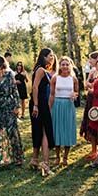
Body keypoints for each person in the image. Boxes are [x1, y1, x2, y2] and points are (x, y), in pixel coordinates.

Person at [0, 55, 24, 167]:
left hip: (8, 105)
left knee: (11, 131)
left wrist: (17, 106)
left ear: (0, 65)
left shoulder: (8, 75)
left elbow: (15, 91)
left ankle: (17, 158)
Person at [30, 48, 56, 176]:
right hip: (39, 103)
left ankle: (35, 159)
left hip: (42, 103)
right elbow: (34, 87)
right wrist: (36, 105)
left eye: (52, 56)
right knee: (45, 131)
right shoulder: (40, 70)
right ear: (44, 57)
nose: (52, 58)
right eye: (50, 56)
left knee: (38, 130)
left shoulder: (43, 69)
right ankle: (45, 163)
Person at [49, 56, 79, 167]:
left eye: (67, 64)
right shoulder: (55, 78)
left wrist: (74, 95)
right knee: (57, 130)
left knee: (67, 130)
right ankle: (57, 156)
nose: (65, 66)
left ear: (70, 66)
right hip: (57, 104)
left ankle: (65, 157)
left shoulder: (74, 79)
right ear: (60, 66)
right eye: (63, 64)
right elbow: (51, 94)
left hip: (68, 105)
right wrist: (50, 108)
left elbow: (77, 93)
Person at [80, 51, 98, 161]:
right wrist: (91, 86)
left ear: (97, 59)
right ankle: (93, 149)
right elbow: (86, 84)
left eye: (91, 59)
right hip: (90, 98)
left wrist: (91, 86)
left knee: (97, 122)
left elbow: (95, 86)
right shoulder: (92, 71)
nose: (89, 61)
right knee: (89, 122)